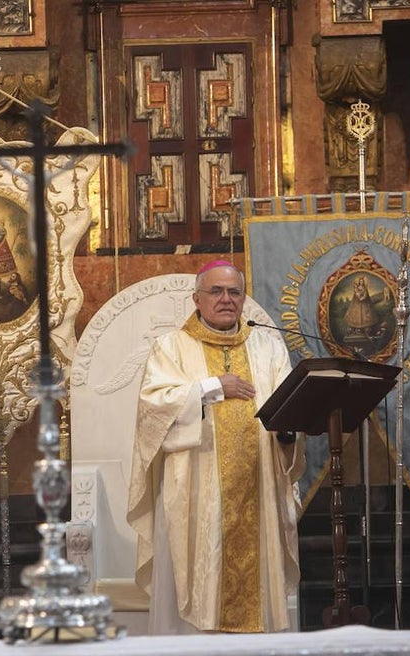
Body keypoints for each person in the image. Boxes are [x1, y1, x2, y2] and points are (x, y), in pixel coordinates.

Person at [126, 261, 305, 634]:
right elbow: (153, 410)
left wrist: (290, 434)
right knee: (194, 579)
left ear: (243, 299)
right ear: (197, 299)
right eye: (216, 291)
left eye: (234, 292)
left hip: (258, 487)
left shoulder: (268, 347)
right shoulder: (171, 347)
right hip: (195, 493)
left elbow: (288, 403)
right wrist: (211, 389)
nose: (226, 299)